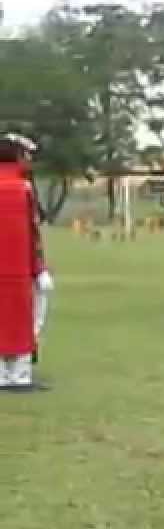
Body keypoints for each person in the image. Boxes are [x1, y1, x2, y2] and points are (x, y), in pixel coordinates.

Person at [0, 135, 50, 392]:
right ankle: (19, 375)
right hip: (18, 266)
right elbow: (32, 231)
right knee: (25, 320)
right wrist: (39, 267)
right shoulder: (23, 188)